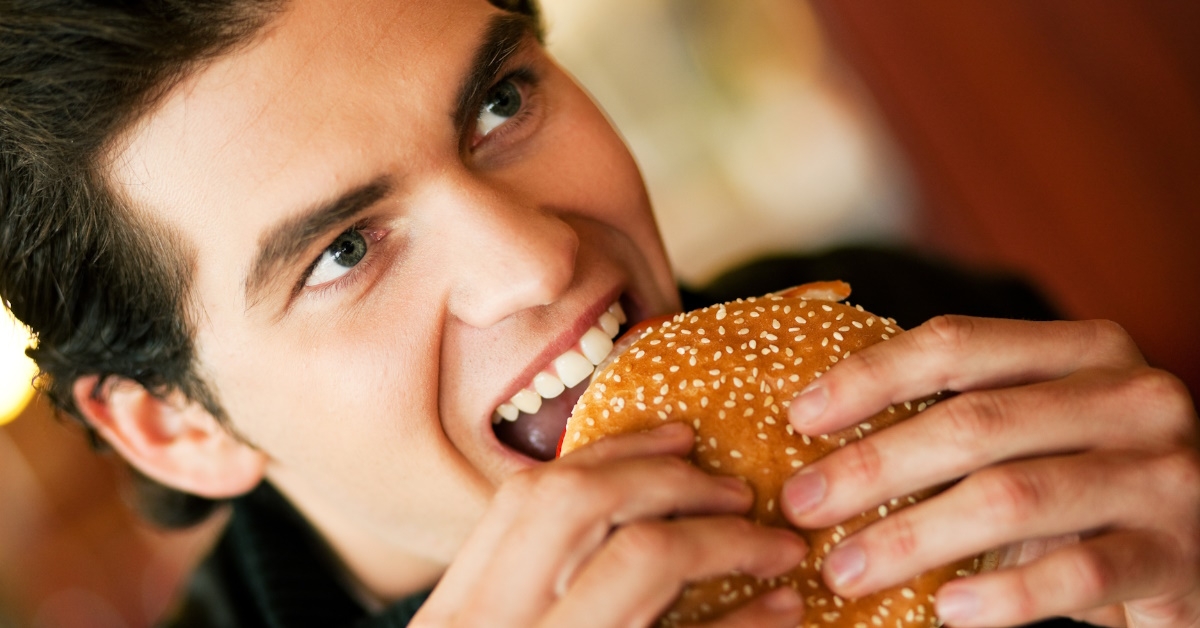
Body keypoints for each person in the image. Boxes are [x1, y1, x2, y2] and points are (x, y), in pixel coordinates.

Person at [1, 1, 1197, 627]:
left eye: (500, 102)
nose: (533, 263)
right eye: (344, 250)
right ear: (175, 428)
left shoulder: (931, 342)